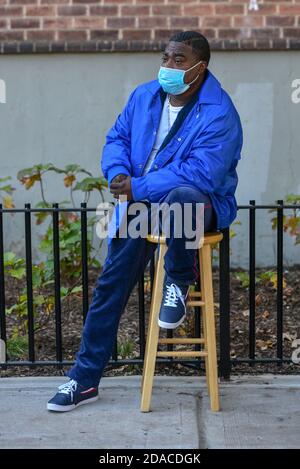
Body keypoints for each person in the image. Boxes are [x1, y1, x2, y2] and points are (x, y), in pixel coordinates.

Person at [47, 30, 243, 412]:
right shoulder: (144, 95)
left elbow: (202, 174)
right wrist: (119, 172)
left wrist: (138, 187)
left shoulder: (219, 111)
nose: (168, 67)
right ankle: (84, 380)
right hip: (141, 206)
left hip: (198, 207)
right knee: (111, 285)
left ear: (200, 68)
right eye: (166, 57)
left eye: (178, 60)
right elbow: (117, 137)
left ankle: (178, 281)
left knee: (182, 198)